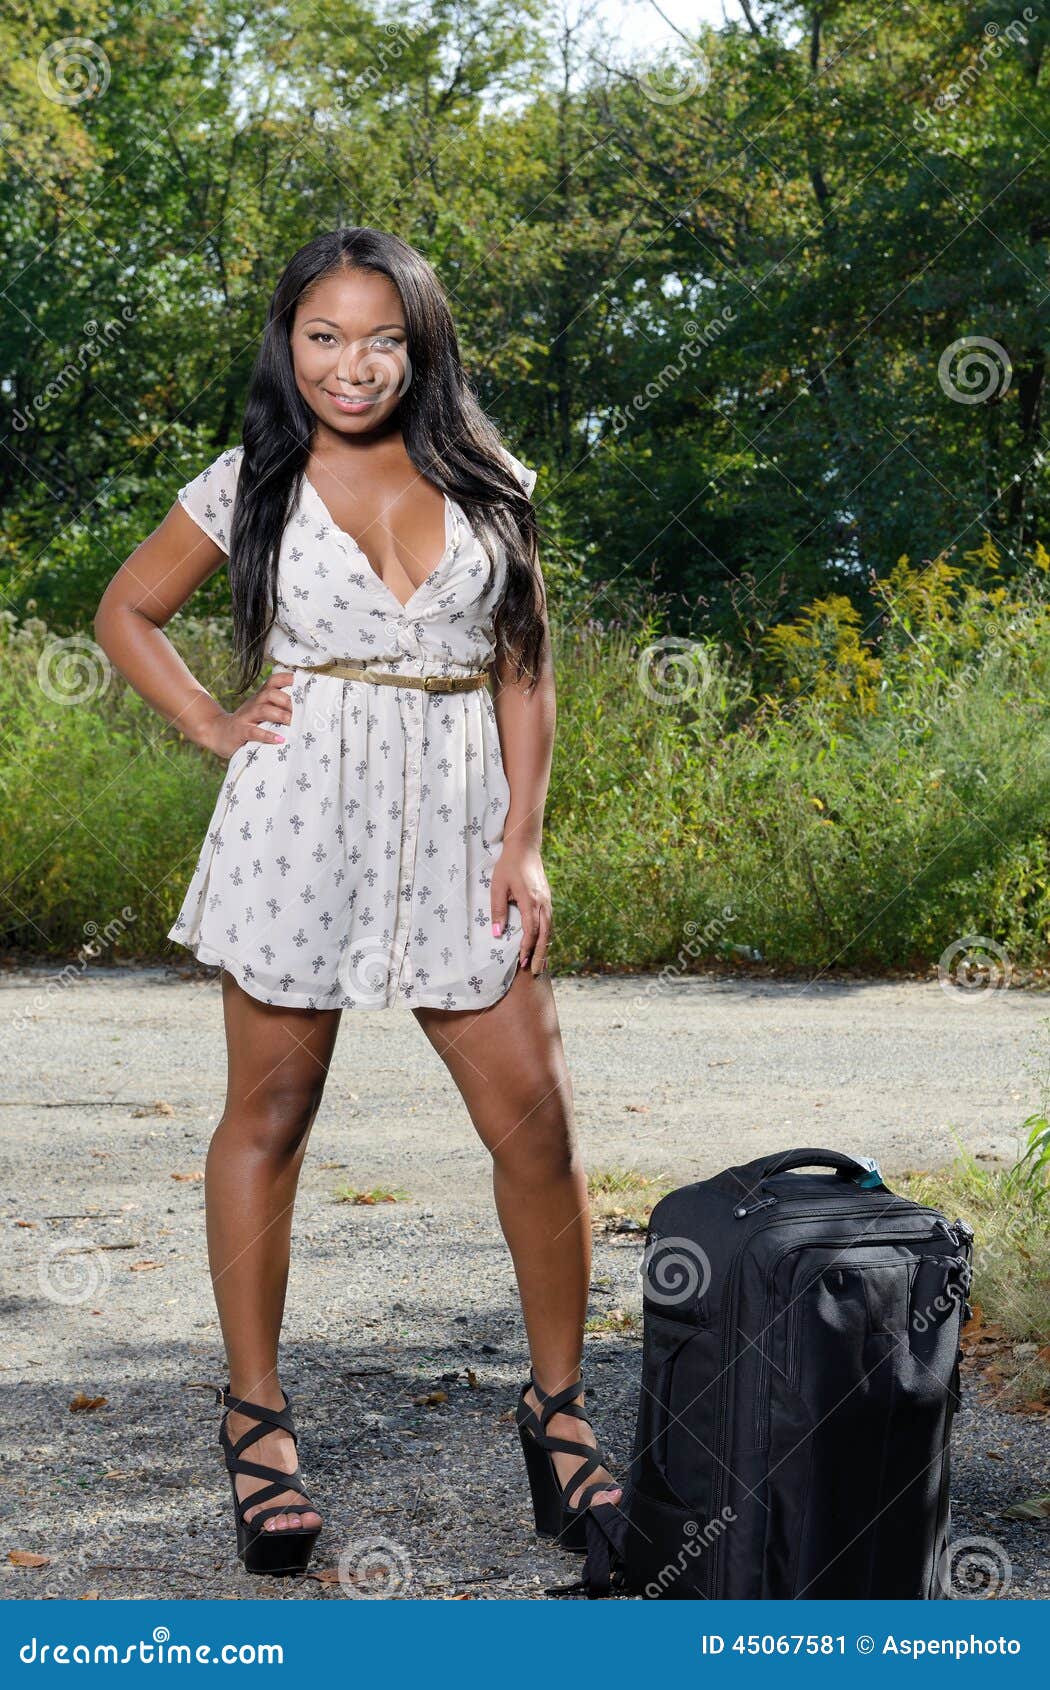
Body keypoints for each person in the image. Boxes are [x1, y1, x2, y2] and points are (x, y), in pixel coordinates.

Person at [93, 226, 623, 1580]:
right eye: (322, 335)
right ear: (288, 344)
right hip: (298, 813)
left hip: (459, 824)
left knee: (538, 1124)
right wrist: (215, 722)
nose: (352, 363)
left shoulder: (488, 474)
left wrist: (525, 839)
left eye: (380, 335)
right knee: (269, 1115)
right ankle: (257, 1423)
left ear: (419, 342)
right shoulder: (247, 482)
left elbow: (522, 660)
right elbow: (127, 611)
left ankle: (558, 1417)